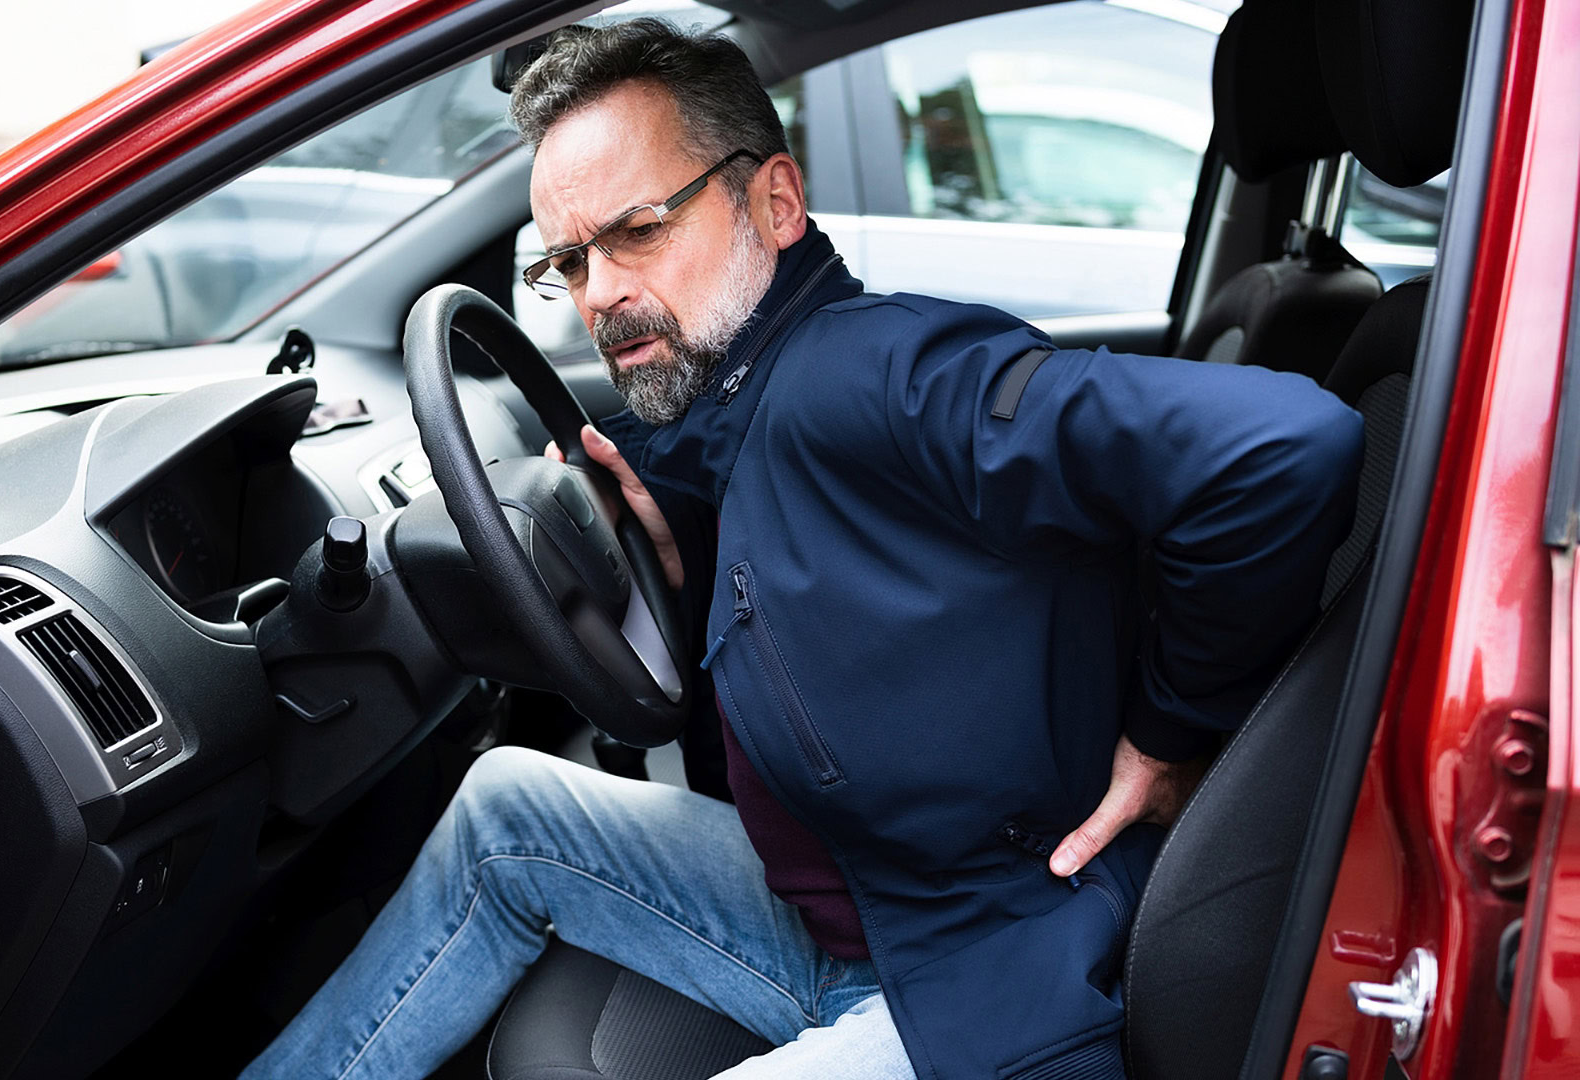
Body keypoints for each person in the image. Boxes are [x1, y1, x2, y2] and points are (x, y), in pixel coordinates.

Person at [241, 18, 1361, 1080]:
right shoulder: (737, 403)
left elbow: (1283, 448)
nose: (603, 293)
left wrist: (1170, 732)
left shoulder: (882, 374)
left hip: (982, 974)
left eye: (640, 230)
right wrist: (665, 531)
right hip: (866, 913)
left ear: (773, 201)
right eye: (569, 261)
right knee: (506, 811)